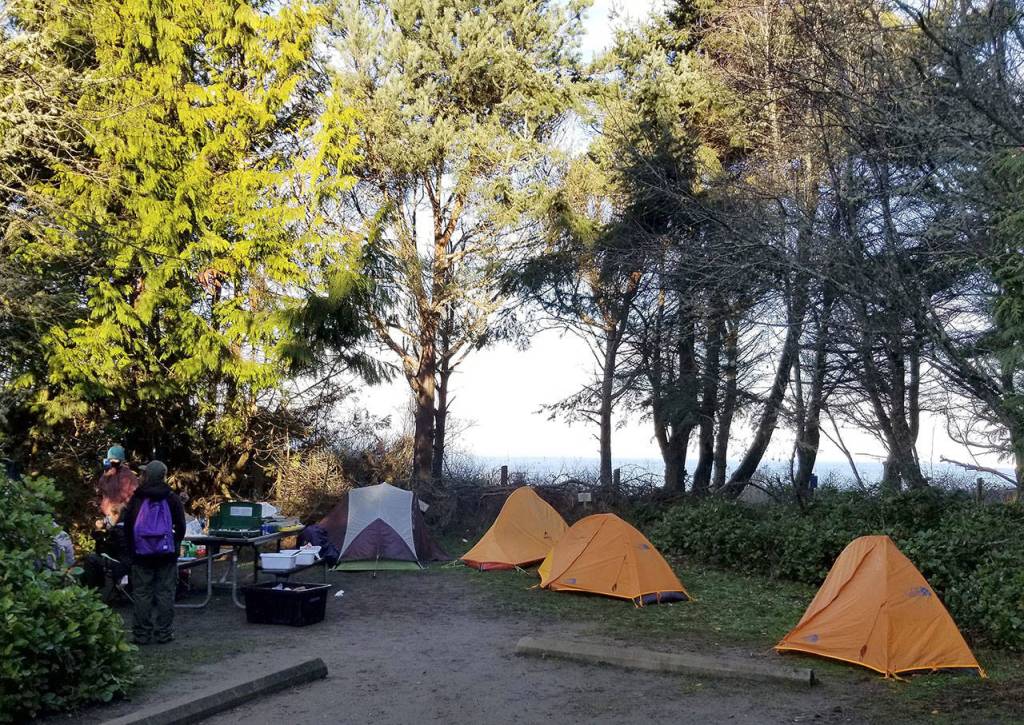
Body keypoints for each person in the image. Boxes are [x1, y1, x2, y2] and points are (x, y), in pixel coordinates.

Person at [122, 460, 185, 645]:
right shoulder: (171, 497)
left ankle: (142, 634)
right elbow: (180, 526)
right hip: (166, 554)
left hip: (141, 554)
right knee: (165, 593)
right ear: (163, 475)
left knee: (142, 593)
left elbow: (127, 527)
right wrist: (175, 543)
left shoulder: (138, 497)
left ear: (146, 475)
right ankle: (163, 633)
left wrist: (131, 551)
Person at [98, 445, 139, 521]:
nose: (113, 461)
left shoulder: (129, 475)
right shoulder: (108, 474)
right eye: (111, 459)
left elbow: (134, 496)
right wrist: (105, 475)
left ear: (121, 460)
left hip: (124, 515)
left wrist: (122, 506)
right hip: (108, 515)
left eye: (116, 460)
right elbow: (101, 490)